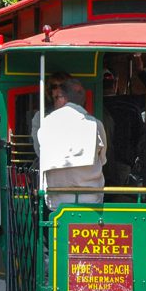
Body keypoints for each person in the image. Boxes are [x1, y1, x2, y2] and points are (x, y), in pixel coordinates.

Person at [37, 79, 108, 211]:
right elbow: (103, 159)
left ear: (63, 98)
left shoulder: (46, 123)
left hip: (56, 201)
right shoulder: (95, 124)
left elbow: (41, 153)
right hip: (91, 199)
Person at [30, 72, 73, 156]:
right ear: (50, 91)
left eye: (63, 86)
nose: (59, 90)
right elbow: (39, 149)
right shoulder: (40, 116)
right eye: (54, 87)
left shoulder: (81, 114)